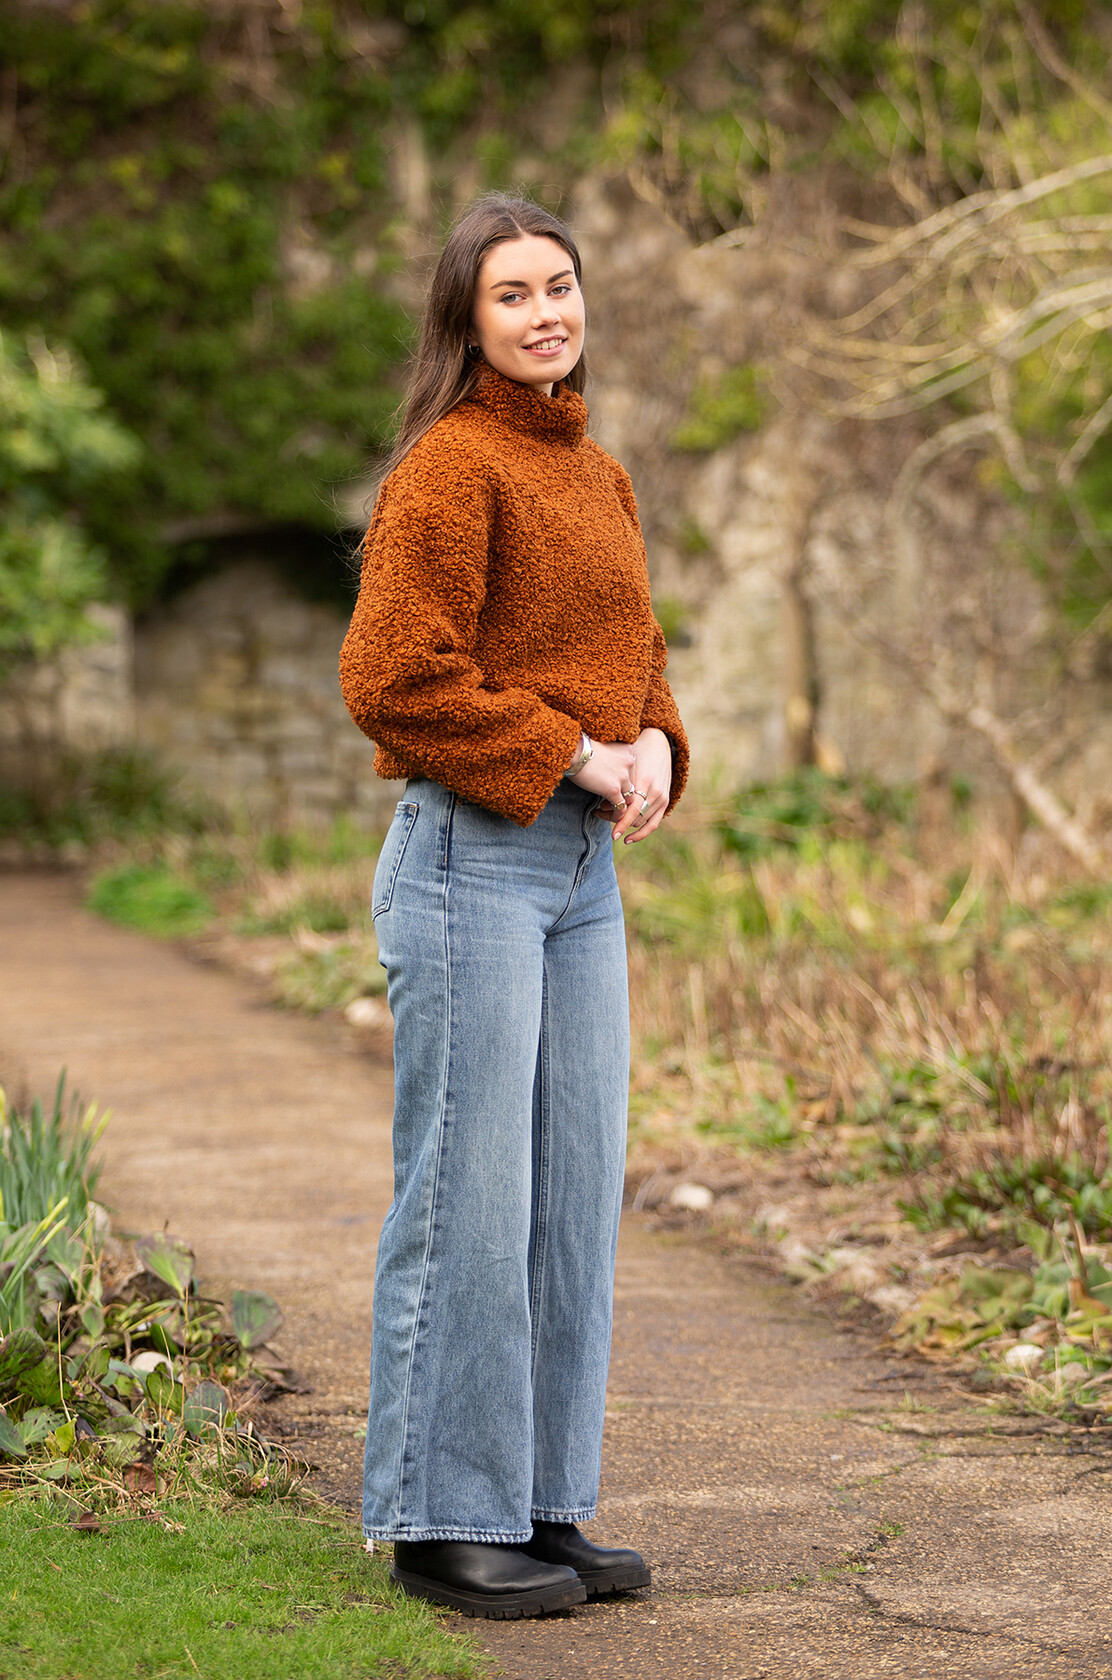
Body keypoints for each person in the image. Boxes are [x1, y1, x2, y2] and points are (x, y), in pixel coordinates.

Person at [339, 192, 689, 1620]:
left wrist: (659, 737)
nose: (548, 312)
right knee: (468, 1197)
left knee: (567, 1202)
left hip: (578, 876)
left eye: (562, 285)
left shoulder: (595, 474)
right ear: (465, 320)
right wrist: (574, 751)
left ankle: (542, 1505)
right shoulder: (449, 468)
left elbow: (633, 648)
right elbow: (392, 675)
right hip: (468, 859)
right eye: (513, 295)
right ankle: (442, 1520)